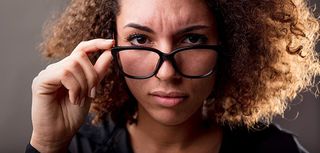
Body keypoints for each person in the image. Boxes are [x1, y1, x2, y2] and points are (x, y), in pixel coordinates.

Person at [26, 0, 320, 152]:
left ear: (230, 47)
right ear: (107, 41)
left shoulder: (276, 152)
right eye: (140, 40)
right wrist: (47, 146)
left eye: (192, 39)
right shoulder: (72, 148)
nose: (167, 73)